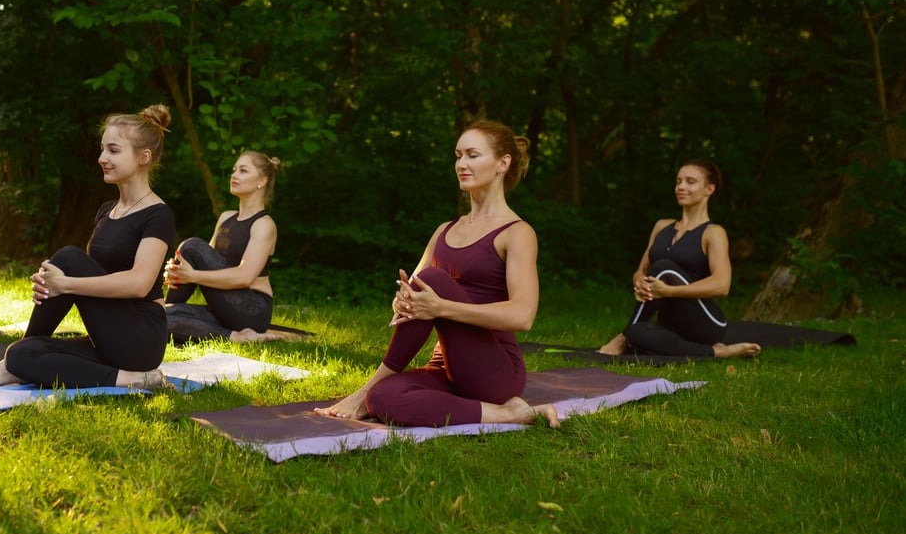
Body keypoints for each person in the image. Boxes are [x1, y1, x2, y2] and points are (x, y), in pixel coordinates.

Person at [316, 120, 559, 428]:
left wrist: (441, 307)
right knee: (383, 399)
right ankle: (509, 414)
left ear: (503, 163)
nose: (461, 164)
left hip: (494, 371)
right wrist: (402, 302)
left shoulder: (517, 233)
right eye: (458, 155)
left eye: (472, 155)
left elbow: (522, 316)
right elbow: (414, 293)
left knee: (432, 281)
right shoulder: (444, 231)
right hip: (445, 367)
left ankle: (362, 390)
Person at [0, 105, 176, 390]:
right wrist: (53, 285)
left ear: (143, 157)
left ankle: (135, 376)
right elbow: (94, 277)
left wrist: (66, 284)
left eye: (113, 150)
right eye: (102, 150)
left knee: (68, 258)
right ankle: (14, 362)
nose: (102, 158)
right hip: (107, 336)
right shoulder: (105, 211)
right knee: (22, 354)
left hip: (140, 339)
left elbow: (139, 283)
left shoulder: (157, 214)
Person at [598, 160, 761, 359]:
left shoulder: (713, 233)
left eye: (690, 182)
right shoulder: (661, 226)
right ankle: (718, 352)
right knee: (638, 333)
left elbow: (722, 285)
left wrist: (670, 291)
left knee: (663, 268)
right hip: (671, 324)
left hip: (704, 322)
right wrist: (639, 282)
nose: (681, 187)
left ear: (709, 189)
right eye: (678, 181)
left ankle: (622, 338)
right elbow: (641, 271)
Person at [163, 151, 291, 343]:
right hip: (223, 308)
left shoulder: (264, 224)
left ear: (262, 180)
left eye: (243, 171)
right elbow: (204, 264)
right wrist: (177, 273)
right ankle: (236, 337)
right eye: (234, 170)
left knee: (192, 246)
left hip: (251, 309)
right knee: (160, 316)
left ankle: (241, 333)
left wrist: (192, 275)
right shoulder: (225, 218)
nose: (234, 175)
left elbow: (244, 277)